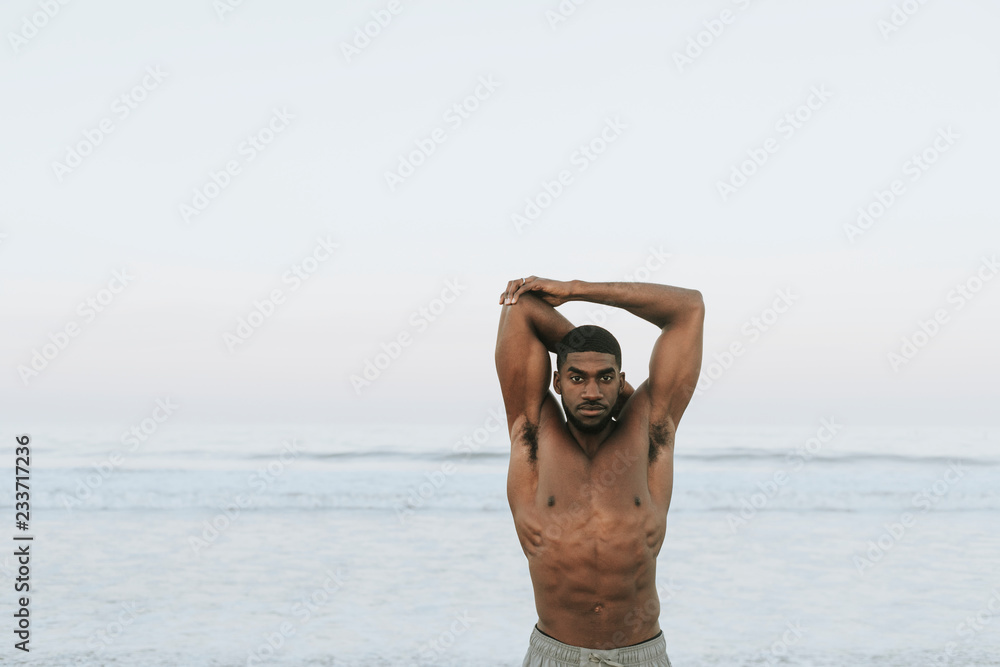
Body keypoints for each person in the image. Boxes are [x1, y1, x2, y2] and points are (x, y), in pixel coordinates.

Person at [495, 276, 704, 667]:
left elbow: (688, 307)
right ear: (556, 381)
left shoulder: (650, 429)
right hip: (555, 655)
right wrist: (589, 346)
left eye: (605, 378)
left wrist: (577, 289)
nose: (592, 392)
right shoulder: (532, 431)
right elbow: (519, 306)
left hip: (640, 656)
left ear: (621, 381)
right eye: (577, 378)